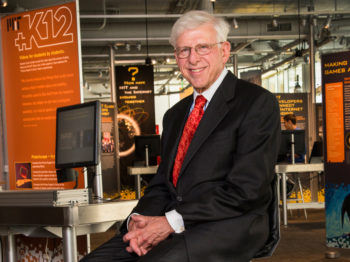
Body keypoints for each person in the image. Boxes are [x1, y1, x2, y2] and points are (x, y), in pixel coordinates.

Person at [81, 10, 280, 262]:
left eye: (202, 47)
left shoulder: (256, 103)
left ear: (225, 50)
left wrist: (169, 222)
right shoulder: (175, 115)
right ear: (176, 56)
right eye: (183, 50)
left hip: (230, 223)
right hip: (176, 220)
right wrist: (137, 222)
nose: (193, 59)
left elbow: (246, 190)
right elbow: (163, 183)